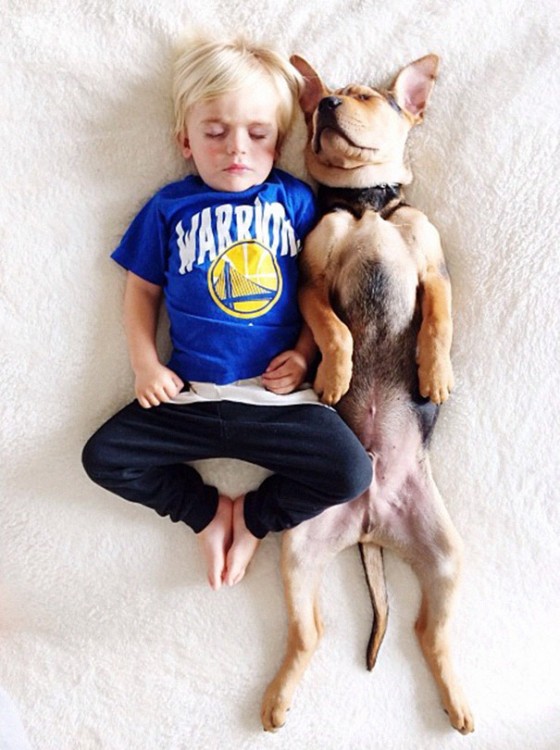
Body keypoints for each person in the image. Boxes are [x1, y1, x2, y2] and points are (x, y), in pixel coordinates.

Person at [82, 35, 373, 590]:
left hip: (277, 403)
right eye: (215, 132)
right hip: (189, 397)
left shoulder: (296, 201)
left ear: (278, 143)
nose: (235, 148)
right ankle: (209, 512)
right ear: (185, 141)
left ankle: (255, 518)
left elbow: (316, 287)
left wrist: (306, 353)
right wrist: (145, 365)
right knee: (105, 458)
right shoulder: (168, 207)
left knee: (352, 471)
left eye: (258, 135)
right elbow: (141, 292)